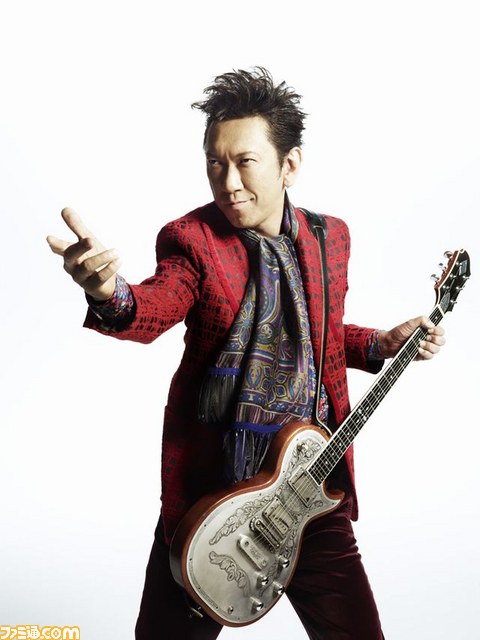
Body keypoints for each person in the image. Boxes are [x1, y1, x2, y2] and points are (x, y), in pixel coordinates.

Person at [47, 67, 445, 640]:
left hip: (309, 486)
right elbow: (155, 305)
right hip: (215, 492)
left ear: (289, 165)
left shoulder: (330, 237)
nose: (228, 181)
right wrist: (110, 294)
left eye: (245, 161)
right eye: (215, 162)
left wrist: (380, 342)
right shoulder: (193, 239)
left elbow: (316, 335)